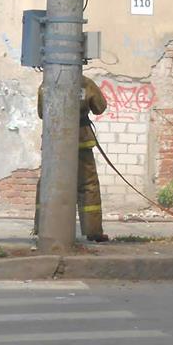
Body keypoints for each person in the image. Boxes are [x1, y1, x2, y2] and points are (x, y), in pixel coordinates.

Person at [35, 75, 110, 242]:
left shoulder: (47, 82)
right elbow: (100, 107)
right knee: (88, 185)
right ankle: (93, 231)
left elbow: (41, 113)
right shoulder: (85, 83)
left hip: (54, 143)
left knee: (48, 183)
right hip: (80, 141)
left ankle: (42, 227)